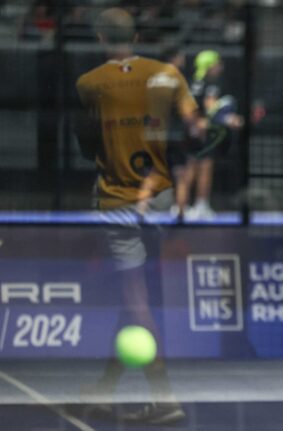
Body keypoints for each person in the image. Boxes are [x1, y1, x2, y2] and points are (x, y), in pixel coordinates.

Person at [74, 7, 201, 425]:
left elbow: (86, 145)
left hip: (119, 204)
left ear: (99, 38)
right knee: (135, 305)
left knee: (136, 300)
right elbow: (196, 131)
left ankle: (164, 397)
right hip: (160, 200)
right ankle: (105, 389)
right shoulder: (167, 75)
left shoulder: (89, 84)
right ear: (137, 37)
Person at [184, 49, 244, 220]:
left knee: (190, 166)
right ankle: (201, 206)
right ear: (209, 66)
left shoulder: (194, 82)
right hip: (204, 132)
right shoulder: (212, 83)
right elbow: (211, 107)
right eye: (217, 64)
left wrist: (193, 124)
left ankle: (182, 205)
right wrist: (228, 119)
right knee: (205, 167)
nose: (220, 67)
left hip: (190, 130)